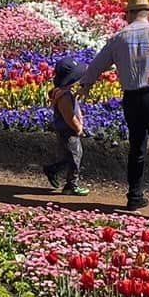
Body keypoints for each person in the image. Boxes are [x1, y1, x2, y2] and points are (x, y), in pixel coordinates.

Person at [78, 0, 149, 221]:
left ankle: (134, 196)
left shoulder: (119, 37)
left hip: (131, 98)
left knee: (137, 147)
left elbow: (97, 65)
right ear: (148, 13)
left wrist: (86, 85)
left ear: (129, 14)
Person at [42, 53, 90, 197]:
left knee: (70, 155)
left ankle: (53, 170)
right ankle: (71, 185)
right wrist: (79, 128)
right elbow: (69, 116)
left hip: (64, 129)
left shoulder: (63, 92)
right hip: (68, 130)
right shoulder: (64, 96)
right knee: (75, 156)